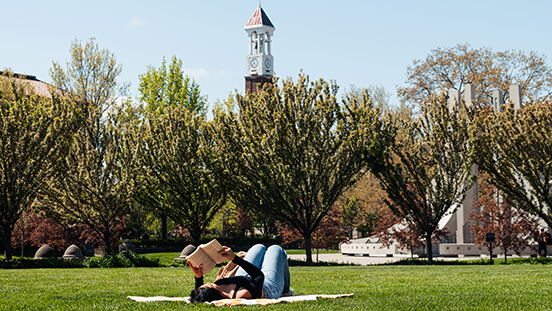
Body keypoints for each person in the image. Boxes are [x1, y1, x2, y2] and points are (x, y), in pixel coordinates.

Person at [188, 244, 291, 303]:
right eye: (209, 285)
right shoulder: (242, 294)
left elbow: (198, 295)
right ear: (215, 293)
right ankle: (285, 289)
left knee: (258, 247)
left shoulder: (215, 290)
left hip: (244, 276)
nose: (208, 283)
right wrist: (234, 259)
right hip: (267, 285)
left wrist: (198, 277)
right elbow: (258, 275)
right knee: (276, 249)